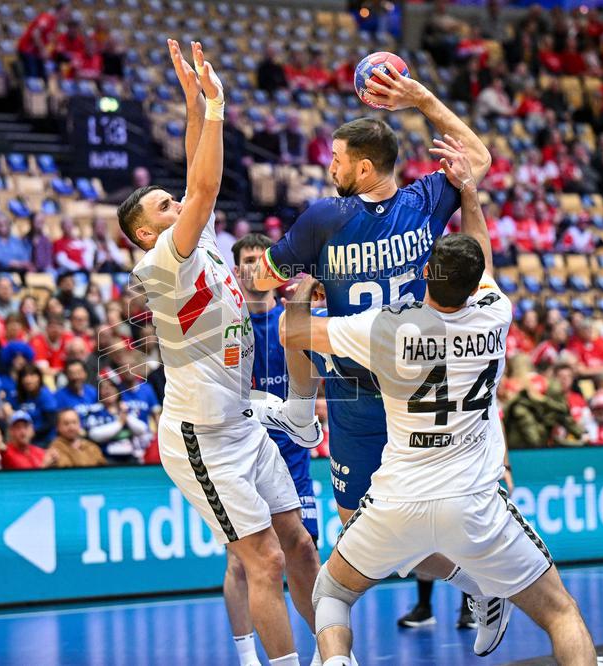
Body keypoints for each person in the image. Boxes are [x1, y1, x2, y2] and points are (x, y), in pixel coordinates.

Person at [281, 142, 596, 665]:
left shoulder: (386, 331)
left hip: (398, 498)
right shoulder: (495, 314)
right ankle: (483, 585)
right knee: (561, 613)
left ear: (424, 274)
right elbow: (483, 253)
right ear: (477, 288)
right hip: (473, 501)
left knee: (333, 594)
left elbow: (293, 333)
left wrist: (303, 284)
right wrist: (468, 192)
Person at [250, 61, 500, 635]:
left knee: (366, 533)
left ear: (363, 168)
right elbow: (478, 161)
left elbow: (263, 279)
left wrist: (292, 273)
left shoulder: (323, 218)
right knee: (374, 531)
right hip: (408, 378)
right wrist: (421, 98)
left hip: (367, 386)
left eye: (336, 159)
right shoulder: (426, 202)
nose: (329, 167)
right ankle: (480, 581)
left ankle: (472, 581)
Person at [119, 41, 315, 665]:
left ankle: (336, 654)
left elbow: (193, 177)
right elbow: (203, 186)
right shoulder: (161, 263)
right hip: (200, 436)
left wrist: (194, 100)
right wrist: (219, 107)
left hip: (242, 422)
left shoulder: (192, 239)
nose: (177, 204)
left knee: (303, 548)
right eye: (164, 208)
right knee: (265, 561)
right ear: (147, 233)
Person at [223, 233, 323, 666]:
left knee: (303, 549)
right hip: (241, 453)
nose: (250, 268)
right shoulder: (227, 319)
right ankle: (247, 656)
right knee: (244, 562)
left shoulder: (292, 318)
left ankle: (328, 645)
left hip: (291, 453)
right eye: (243, 260)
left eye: (257, 260)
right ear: (235, 267)